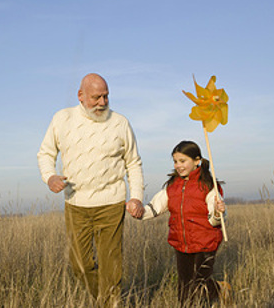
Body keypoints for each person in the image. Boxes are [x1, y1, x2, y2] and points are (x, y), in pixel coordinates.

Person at [37, 73, 144, 307]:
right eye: (96, 97)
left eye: (106, 96)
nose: (103, 103)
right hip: (76, 205)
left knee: (110, 265)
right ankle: (107, 300)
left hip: (111, 203)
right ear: (81, 96)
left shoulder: (120, 123)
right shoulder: (61, 119)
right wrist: (50, 176)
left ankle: (110, 303)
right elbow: (45, 153)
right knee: (81, 266)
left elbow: (133, 163)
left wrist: (136, 197)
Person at [141, 140, 229, 306]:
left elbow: (215, 218)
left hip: (206, 241)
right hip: (181, 242)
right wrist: (138, 211)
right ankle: (190, 303)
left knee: (200, 281)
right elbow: (155, 208)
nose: (178, 166)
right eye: (175, 161)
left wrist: (218, 212)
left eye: (182, 161)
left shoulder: (208, 185)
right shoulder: (172, 186)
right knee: (184, 283)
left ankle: (218, 293)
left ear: (197, 161)